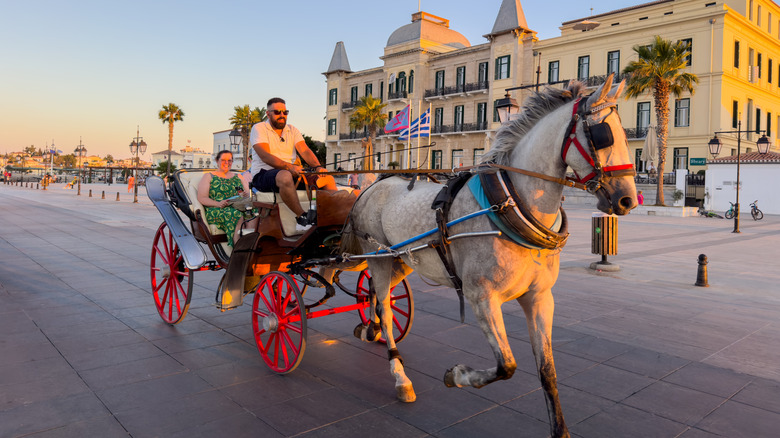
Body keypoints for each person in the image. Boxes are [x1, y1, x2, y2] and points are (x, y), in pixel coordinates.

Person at [250, 97, 336, 232]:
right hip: (264, 174)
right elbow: (265, 156)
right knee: (284, 175)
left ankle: (333, 216)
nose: (282, 115)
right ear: (268, 113)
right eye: (277, 112)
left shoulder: (292, 130)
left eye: (285, 112)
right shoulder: (259, 128)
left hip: (291, 173)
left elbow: (305, 151)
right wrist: (289, 167)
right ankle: (302, 218)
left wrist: (318, 168)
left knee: (327, 179)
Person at [197, 150, 259, 247]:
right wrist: (217, 203)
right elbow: (202, 197)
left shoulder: (238, 177)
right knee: (235, 214)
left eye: (229, 160)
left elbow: (245, 194)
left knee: (254, 210)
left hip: (237, 205)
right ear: (217, 161)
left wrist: (244, 195)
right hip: (217, 208)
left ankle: (250, 242)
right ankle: (237, 246)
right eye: (223, 160)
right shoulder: (209, 176)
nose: (227, 163)